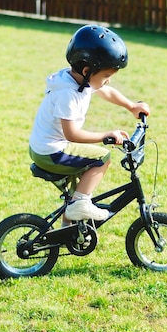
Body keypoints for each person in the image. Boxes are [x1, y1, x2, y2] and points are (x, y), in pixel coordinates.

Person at [29, 25, 150, 222]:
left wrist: (131, 106)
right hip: (50, 152)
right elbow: (72, 134)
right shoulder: (67, 93)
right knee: (102, 157)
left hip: (46, 148)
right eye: (106, 76)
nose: (108, 82)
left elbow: (106, 91)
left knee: (83, 175)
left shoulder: (79, 80)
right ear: (87, 70)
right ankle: (80, 204)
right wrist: (105, 136)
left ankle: (70, 226)